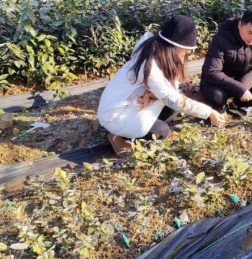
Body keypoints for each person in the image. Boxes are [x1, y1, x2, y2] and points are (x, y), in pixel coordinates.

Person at [97, 15, 226, 157]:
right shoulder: (151, 67)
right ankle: (119, 136)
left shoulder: (156, 50)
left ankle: (128, 131)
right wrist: (209, 113)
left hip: (128, 104)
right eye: (186, 47)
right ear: (172, 45)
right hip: (115, 115)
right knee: (160, 131)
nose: (189, 52)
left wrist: (152, 93)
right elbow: (175, 100)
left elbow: (170, 91)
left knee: (170, 106)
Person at [200, 8, 252, 117]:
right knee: (216, 96)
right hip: (220, 82)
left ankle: (237, 106)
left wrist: (243, 86)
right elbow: (212, 72)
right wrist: (239, 88)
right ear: (240, 25)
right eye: (250, 32)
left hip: (243, 79)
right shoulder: (222, 39)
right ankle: (220, 112)